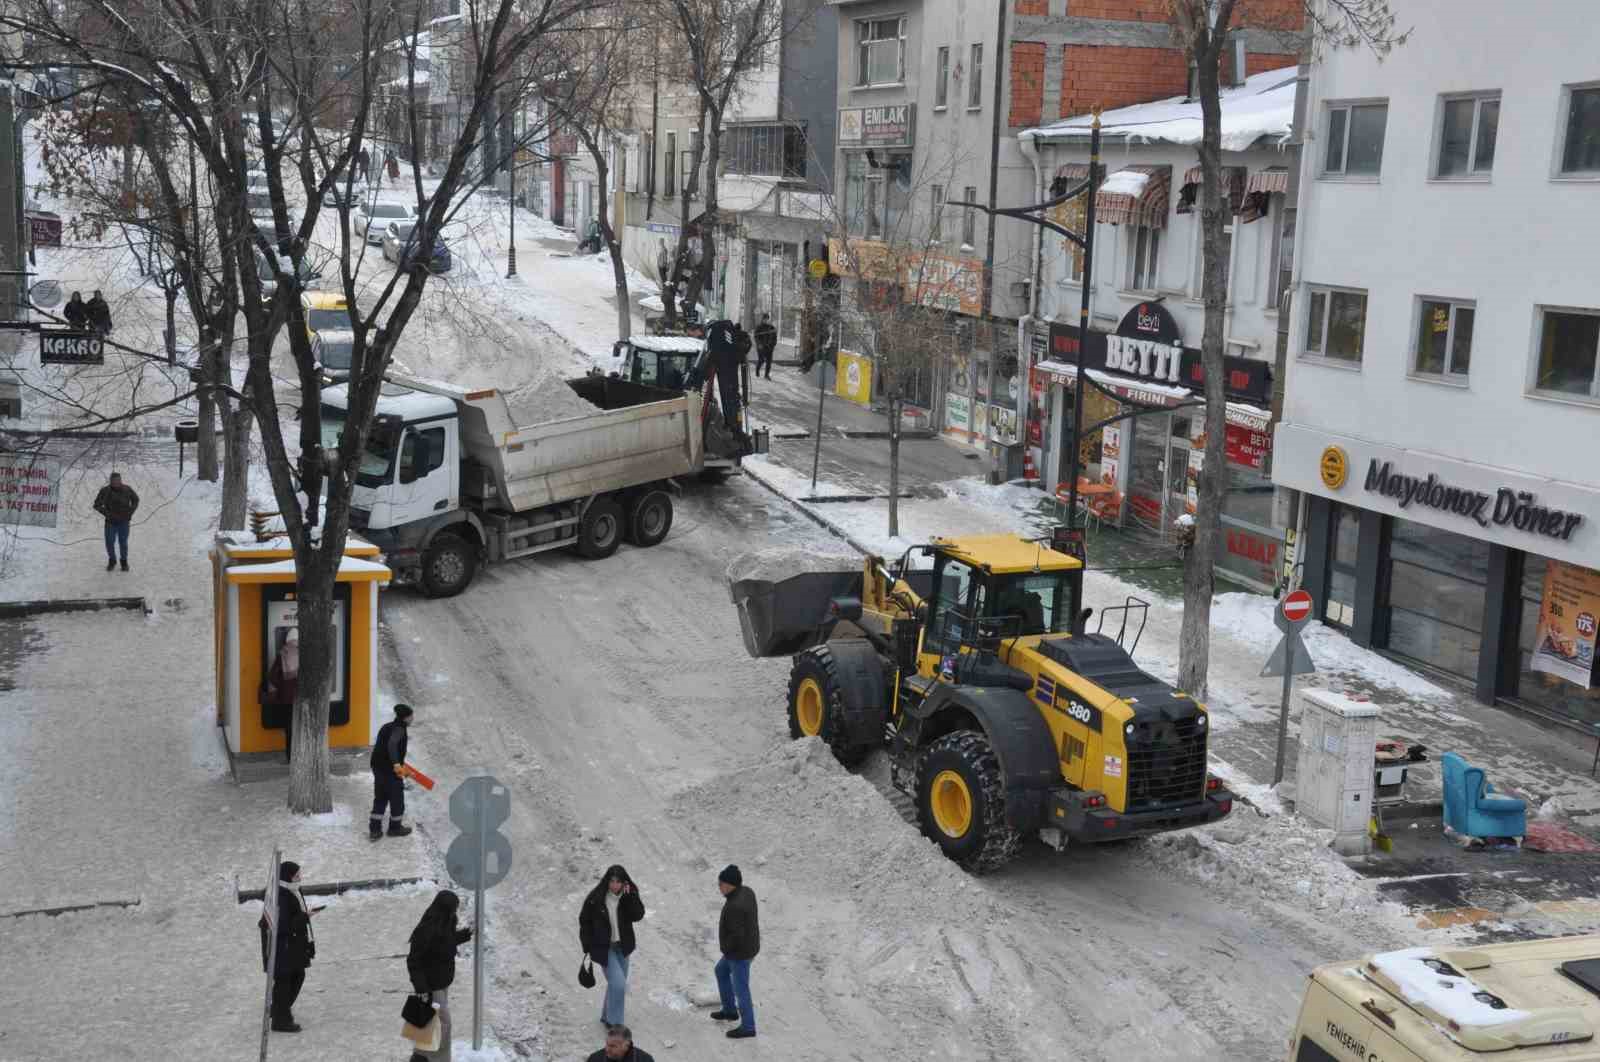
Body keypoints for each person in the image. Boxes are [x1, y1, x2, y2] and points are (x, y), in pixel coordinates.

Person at [406, 890, 473, 1062]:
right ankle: (434, 1059)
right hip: (430, 986)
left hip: (443, 982)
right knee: (443, 1025)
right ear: (445, 909)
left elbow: (445, 942)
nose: (455, 912)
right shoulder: (426, 930)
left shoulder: (446, 922)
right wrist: (421, 988)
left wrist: (466, 934)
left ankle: (420, 1057)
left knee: (430, 1023)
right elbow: (414, 960)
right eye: (454, 909)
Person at [579, 864, 645, 1027]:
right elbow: (584, 921)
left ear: (624, 883)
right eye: (612, 881)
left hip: (623, 947)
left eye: (618, 882)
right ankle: (616, 1026)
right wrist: (587, 945)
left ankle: (606, 1017)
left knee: (616, 984)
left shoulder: (628, 896)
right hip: (604, 948)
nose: (615, 885)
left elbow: (638, 915)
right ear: (607, 881)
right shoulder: (596, 898)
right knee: (619, 984)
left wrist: (631, 898)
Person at [260, 860, 314, 1033]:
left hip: (290, 947)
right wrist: (305, 917)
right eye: (297, 875)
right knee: (286, 981)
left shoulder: (291, 890)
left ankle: (278, 1010)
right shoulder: (281, 896)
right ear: (288, 876)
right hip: (282, 949)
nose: (300, 877)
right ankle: (281, 1019)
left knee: (296, 976)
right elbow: (282, 926)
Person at [711, 864, 759, 1040]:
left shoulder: (735, 906)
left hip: (740, 953)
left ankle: (748, 1027)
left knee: (741, 988)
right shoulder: (746, 891)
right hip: (748, 946)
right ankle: (730, 1010)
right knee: (720, 971)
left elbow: (736, 936)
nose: (719, 887)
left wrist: (726, 949)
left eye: (720, 884)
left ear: (730, 885)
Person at [370, 704, 414, 840]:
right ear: (406, 718)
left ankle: (375, 830)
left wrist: (402, 766)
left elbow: (381, 748)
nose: (413, 719)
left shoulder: (386, 726)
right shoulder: (400, 729)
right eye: (411, 716)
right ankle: (395, 828)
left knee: (381, 797)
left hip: (378, 767)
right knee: (397, 799)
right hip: (390, 770)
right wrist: (396, 764)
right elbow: (392, 744)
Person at [92, 471, 139, 572]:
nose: (116, 482)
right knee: (109, 542)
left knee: (123, 543)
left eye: (118, 480)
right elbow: (96, 505)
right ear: (110, 481)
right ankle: (112, 560)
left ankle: (124, 562)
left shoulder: (127, 489)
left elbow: (136, 500)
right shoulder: (105, 491)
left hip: (124, 522)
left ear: (121, 480)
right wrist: (108, 514)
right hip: (110, 522)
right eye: (114, 480)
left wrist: (130, 512)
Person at [586, 1024, 656, 1062]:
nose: (607, 1049)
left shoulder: (645, 1059)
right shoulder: (595, 1059)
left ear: (626, 1045)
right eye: (607, 1044)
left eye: (613, 1046)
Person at [754, 314, 777, 380]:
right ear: (762, 319)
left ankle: (766, 375)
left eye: (767, 319)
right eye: (765, 319)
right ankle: (757, 369)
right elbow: (756, 336)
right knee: (761, 360)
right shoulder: (759, 327)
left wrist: (773, 344)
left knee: (769, 362)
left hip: (769, 347)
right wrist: (759, 344)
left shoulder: (771, 327)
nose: (766, 320)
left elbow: (774, 337)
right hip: (761, 347)